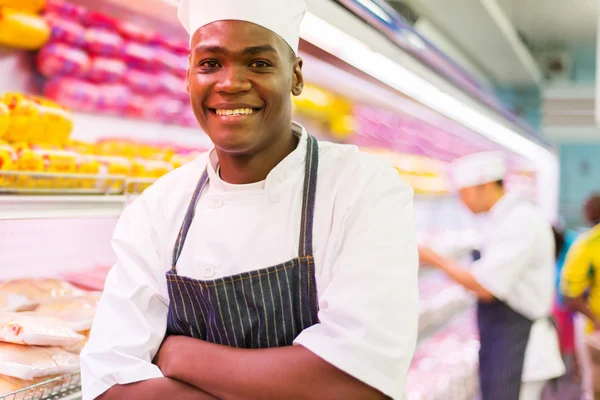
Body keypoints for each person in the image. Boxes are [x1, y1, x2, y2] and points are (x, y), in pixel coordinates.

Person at [80, 1, 419, 399]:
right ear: (188, 76)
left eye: (258, 63)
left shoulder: (362, 189)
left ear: (295, 76)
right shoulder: (158, 208)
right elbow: (109, 386)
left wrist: (181, 356)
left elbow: (358, 382)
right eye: (210, 64)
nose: (231, 83)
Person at [418, 152, 565, 400]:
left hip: (521, 347)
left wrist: (435, 259)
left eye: (463, 193)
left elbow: (487, 287)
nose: (461, 201)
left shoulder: (520, 221)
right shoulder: (502, 219)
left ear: (484, 186)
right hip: (506, 341)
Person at [560, 193, 600, 399]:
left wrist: (595, 319)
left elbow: (570, 296)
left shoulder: (588, 244)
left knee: (593, 387)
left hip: (595, 331)